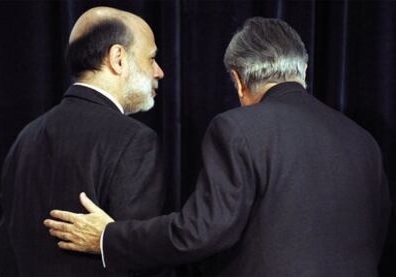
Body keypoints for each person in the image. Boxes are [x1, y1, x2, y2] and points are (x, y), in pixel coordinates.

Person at [44, 17, 391, 276]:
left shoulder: (238, 128)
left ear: (238, 80)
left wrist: (109, 237)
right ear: (303, 69)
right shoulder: (363, 140)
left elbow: (198, 234)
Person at [0, 6, 165, 276]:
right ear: (118, 59)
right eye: (151, 58)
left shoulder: (25, 138)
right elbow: (138, 260)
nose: (159, 71)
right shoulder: (135, 140)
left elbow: (6, 250)